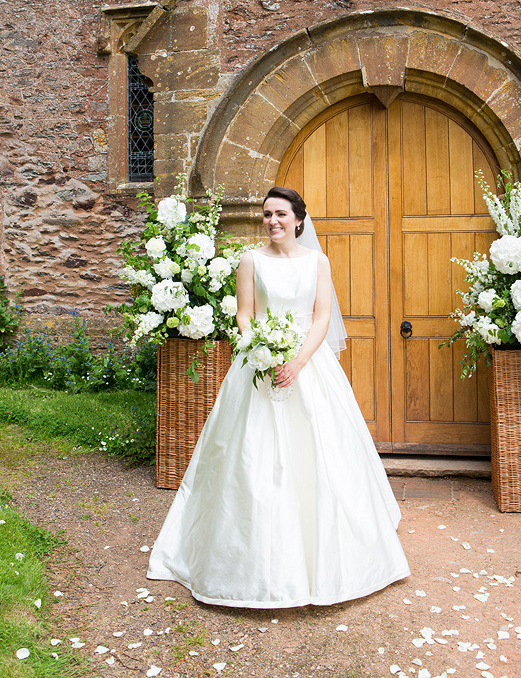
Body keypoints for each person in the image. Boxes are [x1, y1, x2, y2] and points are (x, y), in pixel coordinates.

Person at [147, 186, 410, 608]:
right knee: (250, 455)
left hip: (308, 366)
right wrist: (261, 351)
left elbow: (322, 317)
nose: (272, 221)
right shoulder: (250, 260)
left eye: (281, 214)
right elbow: (245, 313)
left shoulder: (318, 262)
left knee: (324, 456)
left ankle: (329, 557)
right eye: (267, 214)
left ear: (298, 220)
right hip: (259, 366)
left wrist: (298, 361)